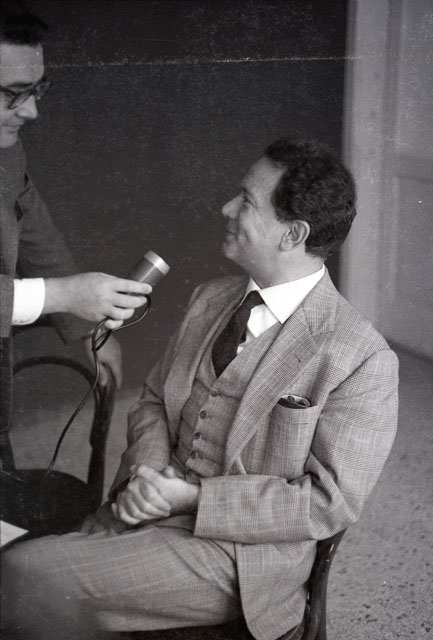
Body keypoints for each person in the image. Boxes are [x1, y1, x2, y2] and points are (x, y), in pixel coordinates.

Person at [1, 139, 399, 640]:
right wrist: (147, 472)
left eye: (246, 201)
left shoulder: (360, 356)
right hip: (146, 512)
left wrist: (191, 497)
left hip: (238, 557)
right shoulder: (210, 299)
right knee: (31, 577)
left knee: (26, 575)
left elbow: (328, 501)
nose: (226, 208)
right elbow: (152, 402)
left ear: (293, 234)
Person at [0, 10, 152, 466]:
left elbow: (35, 236)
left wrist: (87, 330)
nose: (31, 111)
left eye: (37, 89)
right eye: (13, 94)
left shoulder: (7, 153)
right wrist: (64, 295)